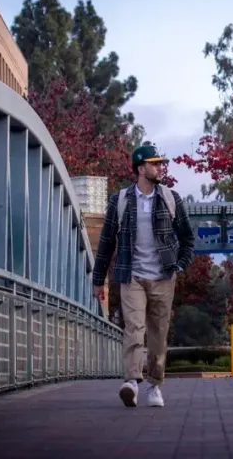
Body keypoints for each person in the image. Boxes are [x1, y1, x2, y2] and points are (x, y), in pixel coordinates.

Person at [92, 142, 195, 408]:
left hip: (163, 276)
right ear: (140, 168)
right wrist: (97, 280)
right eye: (154, 163)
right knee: (134, 329)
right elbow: (105, 244)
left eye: (160, 163)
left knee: (158, 334)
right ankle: (131, 382)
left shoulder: (171, 198)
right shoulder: (121, 200)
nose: (160, 167)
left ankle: (154, 385)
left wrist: (179, 266)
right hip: (132, 275)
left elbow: (187, 239)